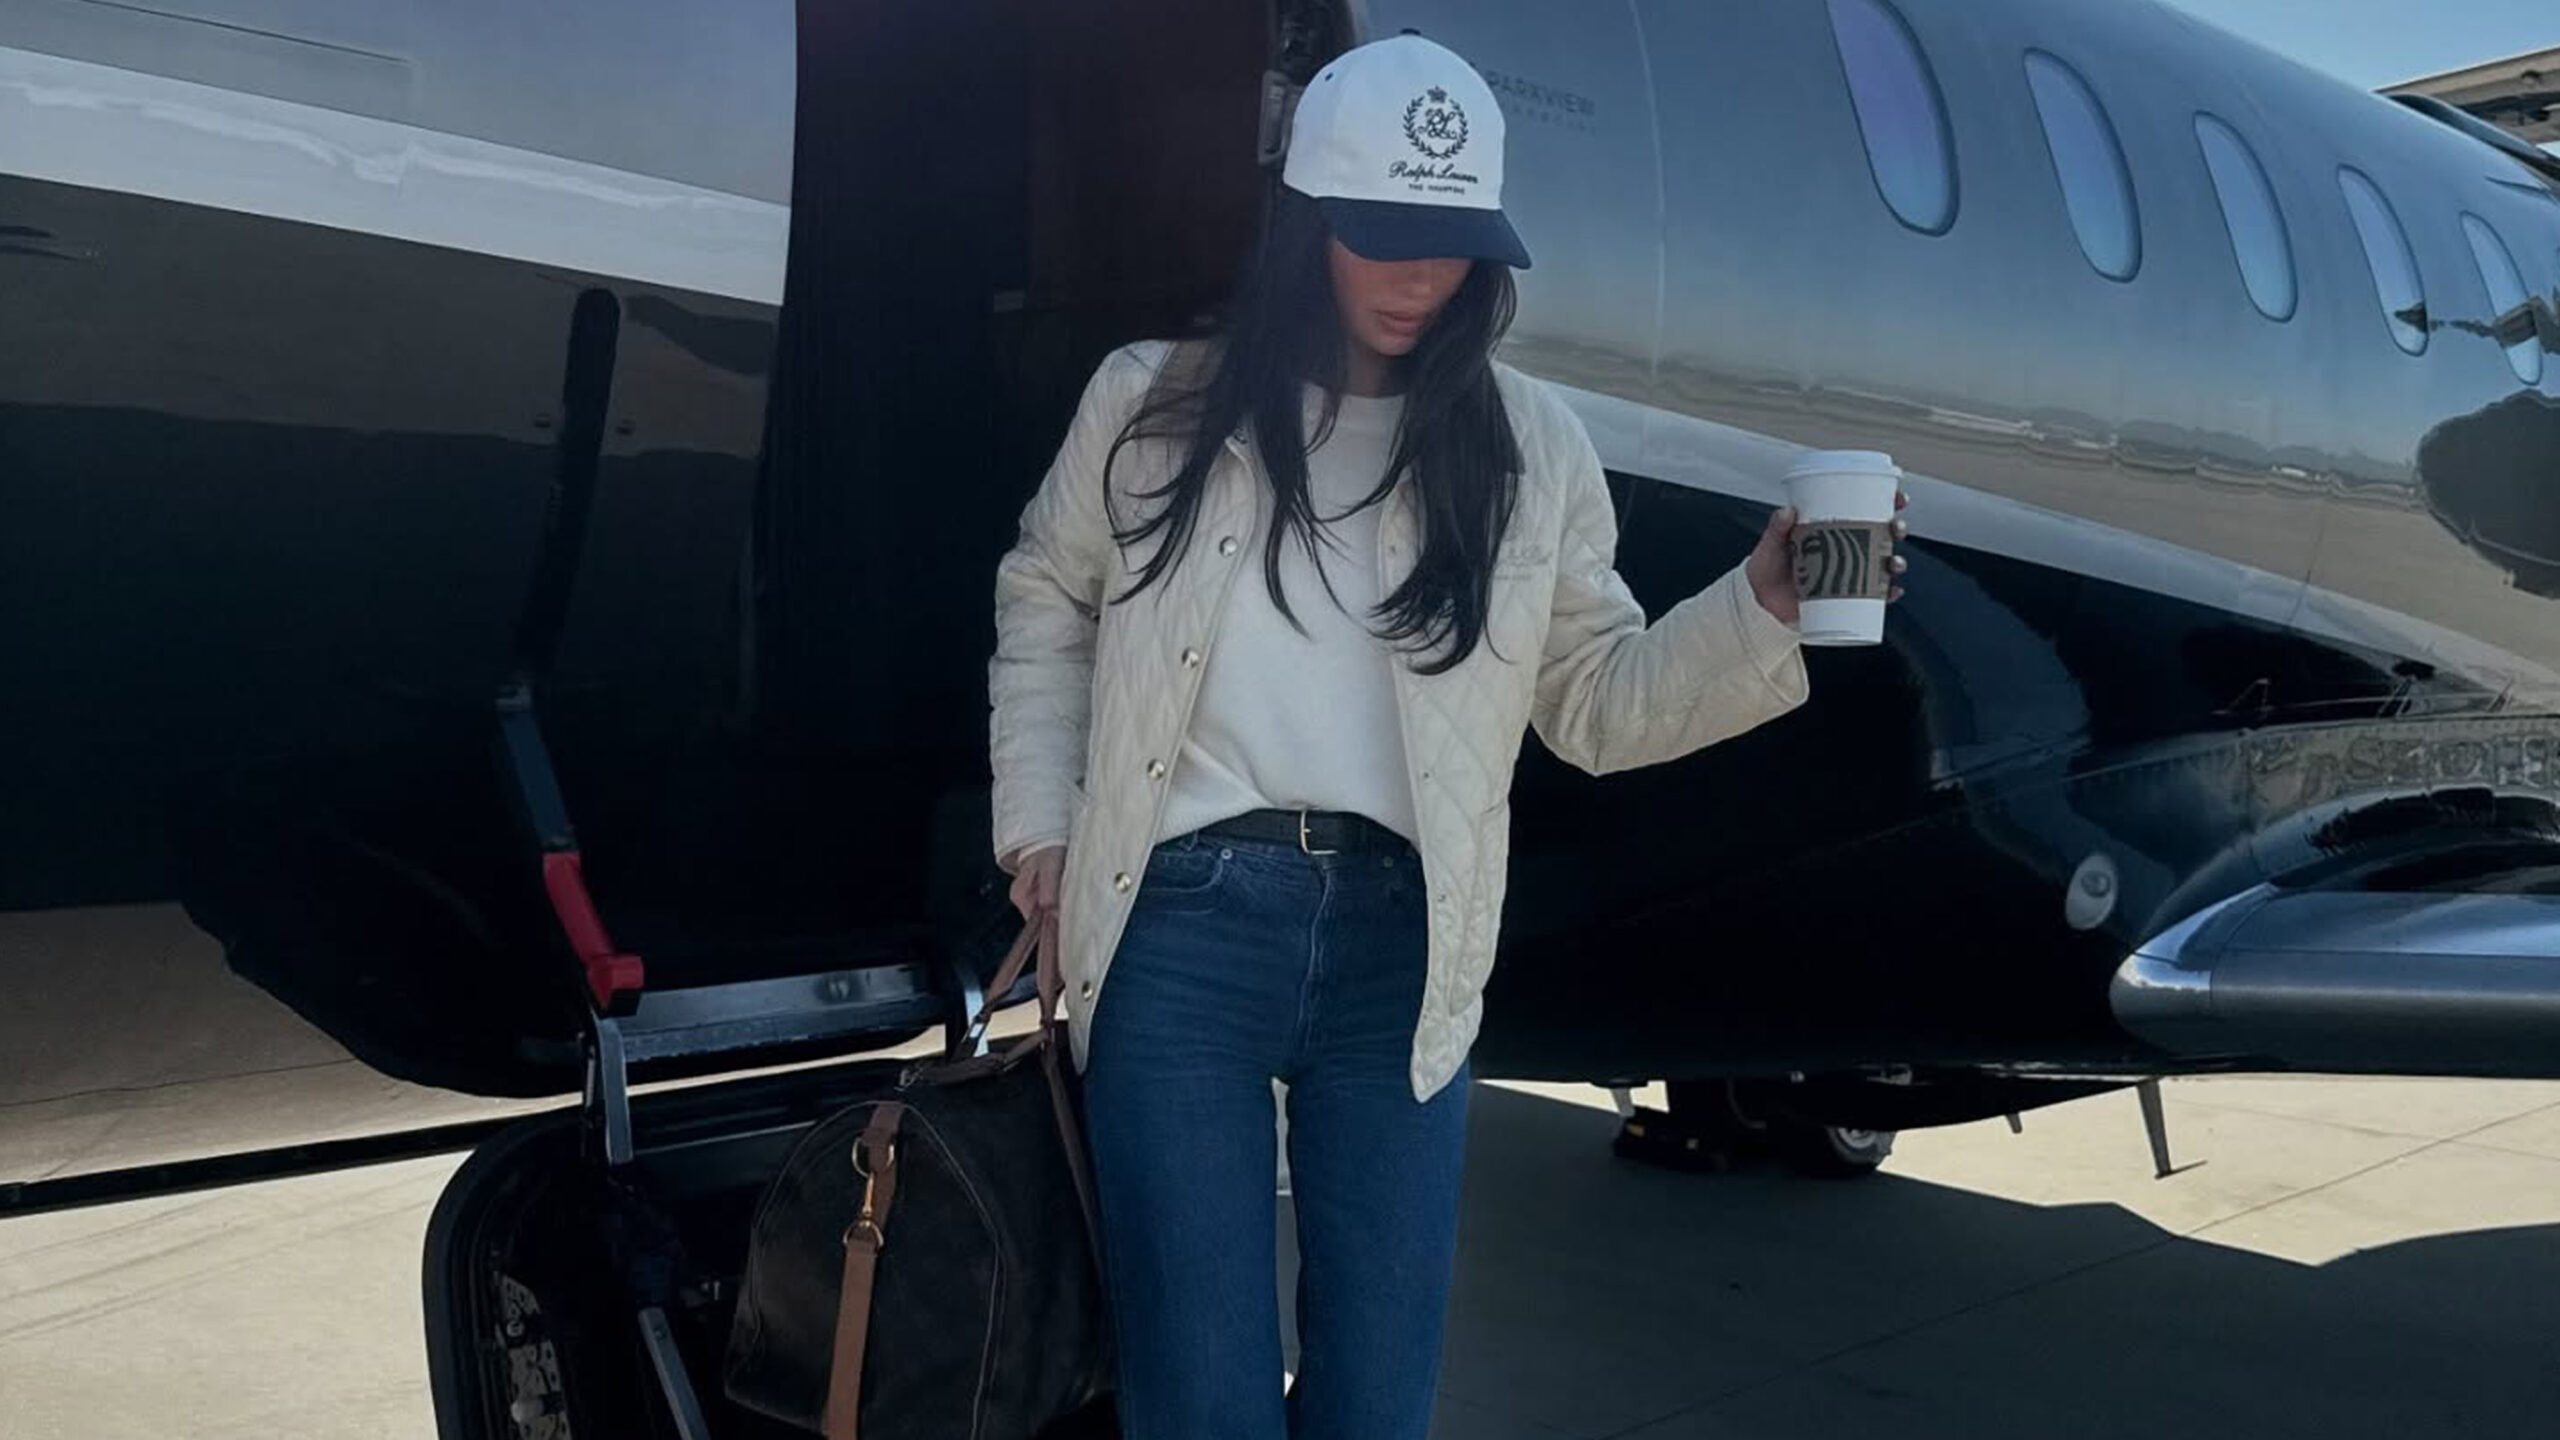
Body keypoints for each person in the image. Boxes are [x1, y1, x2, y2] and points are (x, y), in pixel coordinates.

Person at [987, 32, 1906, 1440]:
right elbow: (1046, 597)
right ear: (1305, 223)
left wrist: (1764, 605)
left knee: (1378, 1400)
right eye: (1384, 236)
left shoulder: (1529, 446)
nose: (1423, 277)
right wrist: (1041, 828)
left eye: (1456, 246)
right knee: (1200, 1398)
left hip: (1405, 947)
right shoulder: (1154, 399)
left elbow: (1597, 701)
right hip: (1182, 923)